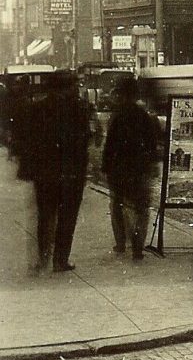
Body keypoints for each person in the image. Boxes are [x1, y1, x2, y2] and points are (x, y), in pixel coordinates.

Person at [15, 71, 92, 273]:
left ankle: (43, 257)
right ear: (66, 87)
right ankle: (60, 259)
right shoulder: (79, 108)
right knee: (67, 217)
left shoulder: (37, 108)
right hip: (71, 172)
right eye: (74, 84)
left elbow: (27, 140)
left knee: (46, 215)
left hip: (45, 172)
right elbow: (83, 141)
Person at [102, 76, 161, 260]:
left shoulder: (117, 116)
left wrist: (105, 167)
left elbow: (110, 144)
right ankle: (138, 246)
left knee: (118, 205)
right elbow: (152, 144)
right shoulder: (145, 116)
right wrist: (152, 165)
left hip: (119, 168)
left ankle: (121, 242)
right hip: (140, 168)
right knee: (141, 208)